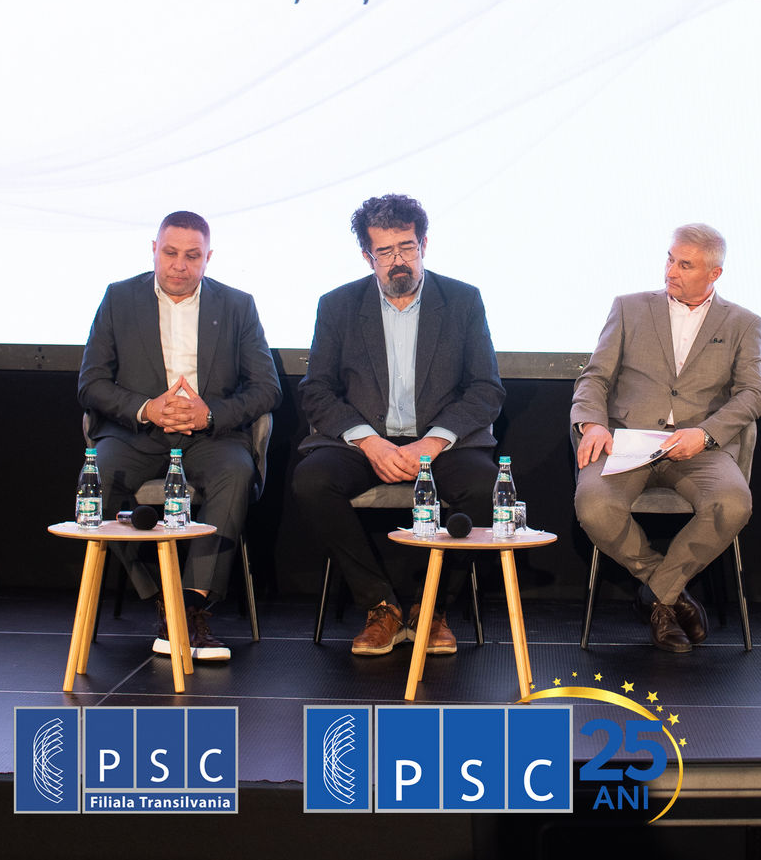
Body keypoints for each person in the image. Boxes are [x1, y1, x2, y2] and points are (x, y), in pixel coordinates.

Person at [292, 194, 504, 656]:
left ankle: (432, 610)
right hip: (364, 440)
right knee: (312, 481)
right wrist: (369, 442)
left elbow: (486, 388)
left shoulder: (462, 300)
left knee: (485, 488)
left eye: (406, 247)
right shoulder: (338, 305)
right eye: (384, 252)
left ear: (423, 244)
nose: (398, 261)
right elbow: (317, 390)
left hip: (441, 442)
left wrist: (433, 442)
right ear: (367, 256)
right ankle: (380, 605)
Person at [78, 211, 280, 663]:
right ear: (154, 250)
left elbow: (267, 389)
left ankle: (190, 606)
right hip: (137, 433)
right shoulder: (119, 298)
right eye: (170, 253)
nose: (179, 265)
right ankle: (161, 597)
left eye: (192, 256)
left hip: (210, 436)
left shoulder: (237, 305)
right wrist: (146, 407)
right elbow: (91, 384)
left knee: (236, 473)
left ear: (208, 257)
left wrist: (210, 414)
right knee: (98, 480)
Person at [571, 224, 761, 653]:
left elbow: (754, 394)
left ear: (714, 273)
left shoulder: (744, 323)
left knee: (733, 503)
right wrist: (592, 423)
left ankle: (657, 597)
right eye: (670, 259)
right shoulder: (629, 308)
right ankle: (669, 593)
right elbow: (595, 377)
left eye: (685, 265)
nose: (670, 271)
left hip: (698, 448)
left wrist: (706, 434)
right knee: (595, 505)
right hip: (627, 442)